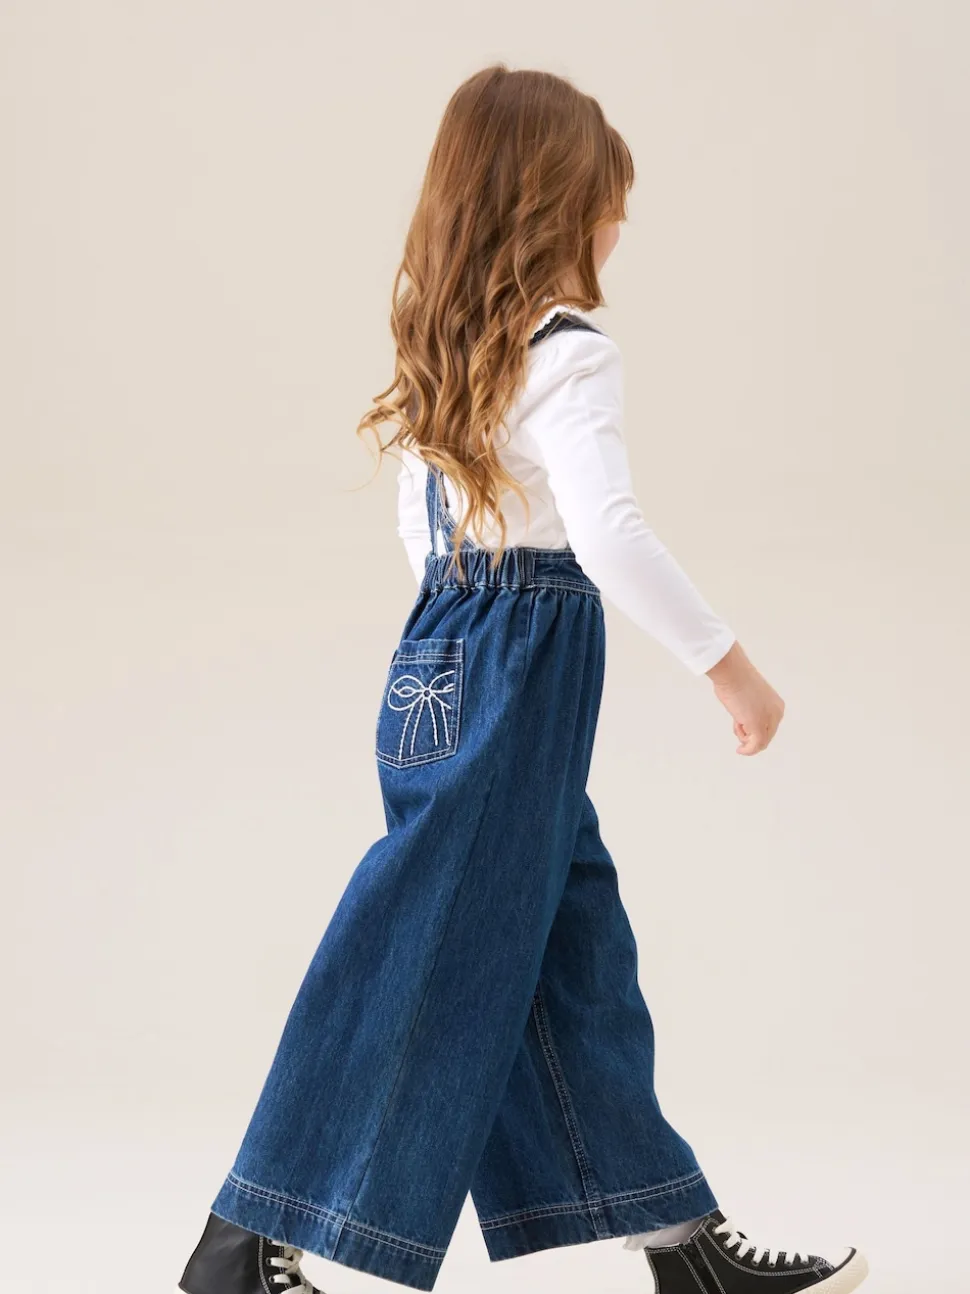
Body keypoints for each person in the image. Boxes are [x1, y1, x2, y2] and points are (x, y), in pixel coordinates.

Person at [176, 64, 867, 1294]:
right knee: (419, 944)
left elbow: (420, 528)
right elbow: (607, 534)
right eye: (609, 199)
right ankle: (244, 1239)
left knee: (569, 946)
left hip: (438, 645)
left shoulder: (451, 348)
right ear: (558, 207)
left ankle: (682, 1245)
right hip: (518, 667)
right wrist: (732, 671)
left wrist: (467, 627)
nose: (621, 225)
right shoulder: (571, 355)